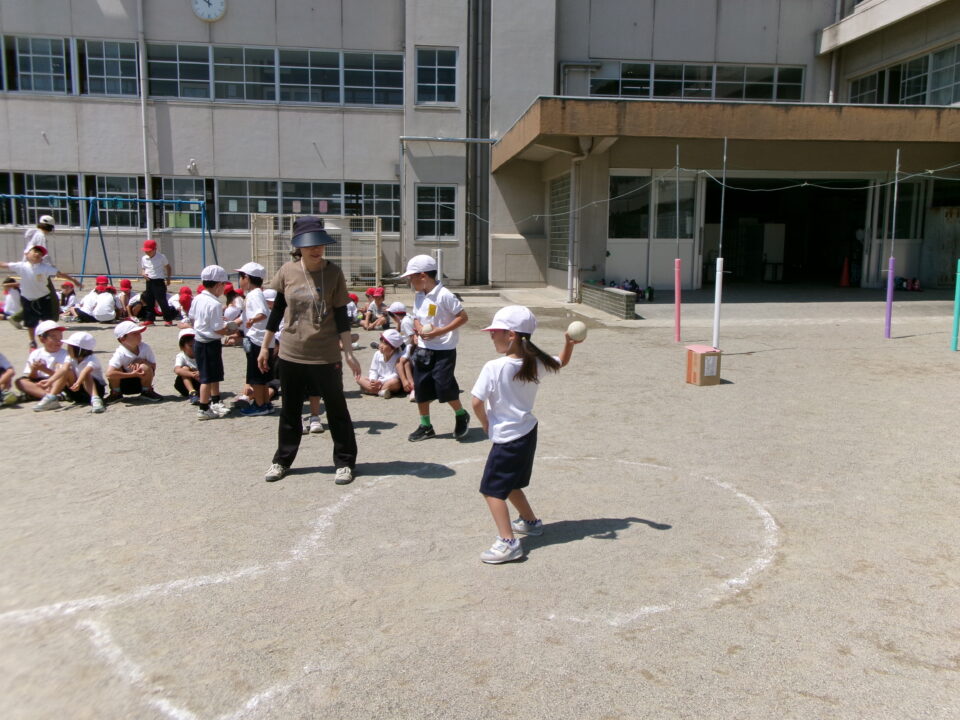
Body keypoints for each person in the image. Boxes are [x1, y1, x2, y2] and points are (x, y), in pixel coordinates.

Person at [470, 305, 580, 564]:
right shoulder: (535, 361)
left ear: (511, 335)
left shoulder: (494, 367)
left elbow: (476, 401)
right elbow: (561, 361)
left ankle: (508, 543)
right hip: (526, 433)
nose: (491, 335)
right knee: (511, 484)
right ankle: (530, 522)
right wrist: (569, 343)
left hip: (507, 438)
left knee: (491, 490)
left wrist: (485, 423)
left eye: (495, 331)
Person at [258, 215, 360, 485]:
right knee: (290, 410)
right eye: (310, 244)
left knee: (336, 409)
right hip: (291, 351)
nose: (316, 249)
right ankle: (282, 461)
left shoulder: (334, 272)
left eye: (320, 243)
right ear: (299, 246)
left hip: (325, 353)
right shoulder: (287, 271)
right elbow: (277, 311)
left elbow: (341, 314)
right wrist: (265, 346)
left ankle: (345, 462)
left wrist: (349, 353)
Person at [401, 254, 470, 442]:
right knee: (421, 387)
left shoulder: (444, 295)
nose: (410, 281)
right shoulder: (419, 295)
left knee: (444, 386)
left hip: (445, 350)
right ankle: (426, 426)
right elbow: (416, 317)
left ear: (423, 276)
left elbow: (463, 317)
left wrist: (440, 331)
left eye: (411, 277)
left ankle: (461, 415)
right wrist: (418, 328)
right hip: (423, 348)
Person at [1, 245, 82, 347]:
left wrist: (74, 281)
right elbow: (4, 265)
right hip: (28, 299)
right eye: (35, 251)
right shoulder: (21, 266)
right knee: (31, 323)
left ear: (42, 258)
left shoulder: (45, 267)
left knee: (47, 321)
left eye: (40, 254)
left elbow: (60, 274)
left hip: (44, 298)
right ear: (27, 254)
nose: (37, 254)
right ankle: (32, 341)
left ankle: (50, 339)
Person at [189, 265, 232, 420]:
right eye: (224, 284)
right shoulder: (214, 304)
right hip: (209, 342)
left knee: (214, 374)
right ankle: (203, 408)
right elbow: (218, 329)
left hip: (200, 341)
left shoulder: (198, 298)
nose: (224, 288)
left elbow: (192, 317)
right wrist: (230, 329)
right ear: (218, 284)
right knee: (207, 378)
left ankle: (215, 401)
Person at [235, 261, 275, 416]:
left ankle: (259, 405)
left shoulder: (254, 295)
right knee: (262, 377)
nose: (240, 280)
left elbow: (262, 313)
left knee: (256, 377)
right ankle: (265, 403)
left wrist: (252, 320)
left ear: (247, 278)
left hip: (257, 341)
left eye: (241, 277)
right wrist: (236, 323)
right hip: (262, 340)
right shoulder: (256, 294)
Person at [44, 331, 107, 413]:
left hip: (96, 390)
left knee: (86, 375)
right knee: (65, 369)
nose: (67, 349)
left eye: (70, 347)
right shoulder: (70, 358)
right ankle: (51, 397)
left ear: (79, 349)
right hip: (75, 391)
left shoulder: (92, 359)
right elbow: (64, 369)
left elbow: (85, 371)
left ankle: (96, 400)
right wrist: (50, 381)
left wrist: (78, 383)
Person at [104, 320, 163, 404]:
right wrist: (132, 374)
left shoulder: (145, 348)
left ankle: (147, 391)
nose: (139, 335)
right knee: (117, 368)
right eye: (134, 333)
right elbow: (109, 374)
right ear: (122, 338)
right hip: (123, 384)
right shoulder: (120, 353)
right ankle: (116, 393)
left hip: (141, 382)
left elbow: (153, 367)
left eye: (139, 333)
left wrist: (142, 361)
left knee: (145, 366)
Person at [15, 319, 69, 409]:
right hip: (40, 383)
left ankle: (42, 395)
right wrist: (34, 369)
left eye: (60, 337)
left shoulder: (66, 354)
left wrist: (45, 369)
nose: (58, 340)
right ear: (42, 339)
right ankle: (50, 396)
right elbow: (32, 377)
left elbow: (64, 376)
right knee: (20, 382)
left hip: (56, 383)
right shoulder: (36, 353)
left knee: (58, 376)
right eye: (54, 337)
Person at [22, 214, 59, 319]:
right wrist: (52, 269)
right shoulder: (40, 236)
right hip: (38, 269)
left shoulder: (34, 234)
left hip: (30, 268)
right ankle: (52, 319)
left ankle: (18, 317)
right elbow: (44, 255)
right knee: (51, 296)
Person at [358, 328, 404, 398]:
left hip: (388, 382)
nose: (381, 346)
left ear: (393, 348)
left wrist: (381, 382)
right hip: (377, 381)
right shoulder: (377, 354)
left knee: (395, 382)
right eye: (381, 342)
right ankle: (380, 392)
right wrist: (373, 380)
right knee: (359, 378)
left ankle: (372, 391)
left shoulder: (398, 357)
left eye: (385, 344)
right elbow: (373, 370)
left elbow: (396, 375)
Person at [139, 239, 175, 325]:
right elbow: (143, 268)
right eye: (146, 251)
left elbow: (168, 267)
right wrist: (143, 273)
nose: (147, 252)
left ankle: (168, 319)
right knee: (149, 300)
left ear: (155, 249)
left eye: (149, 251)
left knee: (162, 301)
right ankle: (150, 319)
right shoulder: (144, 258)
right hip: (149, 281)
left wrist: (168, 279)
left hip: (159, 281)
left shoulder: (161, 257)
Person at [173, 327, 200, 404]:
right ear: (182, 347)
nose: (194, 348)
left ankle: (204, 392)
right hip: (184, 385)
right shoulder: (181, 356)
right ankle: (192, 392)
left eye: (195, 345)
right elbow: (177, 370)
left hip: (201, 381)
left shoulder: (202, 354)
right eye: (190, 346)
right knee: (184, 368)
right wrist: (192, 374)